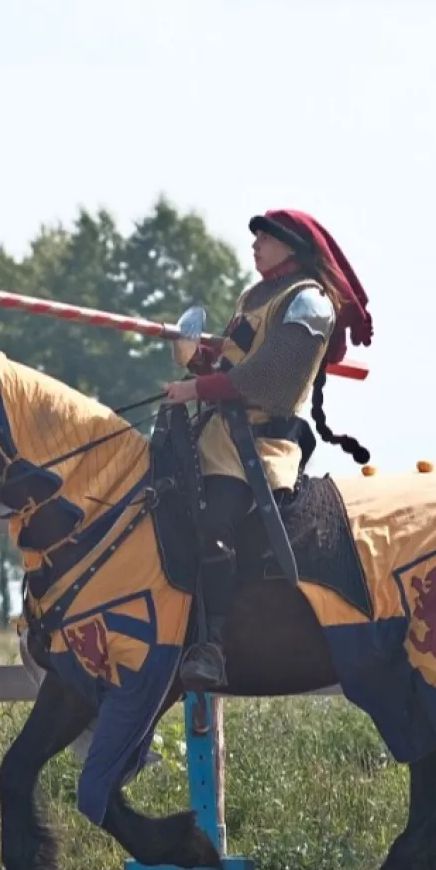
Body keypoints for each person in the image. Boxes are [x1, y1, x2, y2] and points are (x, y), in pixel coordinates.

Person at [164, 210, 374, 691]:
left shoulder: (309, 302)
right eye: (255, 237)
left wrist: (199, 390)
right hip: (220, 437)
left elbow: (272, 380)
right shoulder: (255, 297)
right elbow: (234, 364)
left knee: (215, 525)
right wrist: (196, 360)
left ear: (293, 246)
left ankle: (212, 646)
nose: (255, 245)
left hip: (260, 446)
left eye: (264, 238)